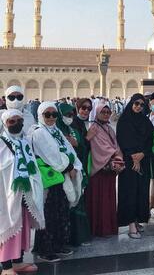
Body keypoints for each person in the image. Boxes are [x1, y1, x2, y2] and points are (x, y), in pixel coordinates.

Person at [31, 102, 83, 262]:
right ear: (40, 115)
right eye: (48, 114)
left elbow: (68, 149)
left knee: (61, 212)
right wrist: (69, 167)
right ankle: (45, 249)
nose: (52, 118)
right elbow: (50, 155)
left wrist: (75, 165)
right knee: (49, 214)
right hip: (51, 178)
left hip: (62, 176)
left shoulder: (56, 131)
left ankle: (58, 244)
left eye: (54, 114)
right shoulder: (39, 133)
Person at [0, 109, 45, 275]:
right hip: (7, 193)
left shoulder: (24, 141)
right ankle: (6, 266)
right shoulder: (1, 142)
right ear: (5, 123)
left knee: (22, 226)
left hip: (25, 192)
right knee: (8, 225)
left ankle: (18, 261)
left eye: (19, 121)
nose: (17, 124)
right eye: (12, 121)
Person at [117, 94, 153, 239]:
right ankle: (130, 223)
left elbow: (150, 141)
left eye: (141, 104)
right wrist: (134, 158)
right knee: (130, 192)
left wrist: (142, 154)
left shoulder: (145, 121)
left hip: (143, 160)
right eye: (136, 103)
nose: (138, 106)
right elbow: (123, 140)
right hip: (129, 162)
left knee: (141, 191)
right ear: (131, 103)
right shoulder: (124, 120)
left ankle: (137, 220)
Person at [85, 102, 124, 237]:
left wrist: (118, 156)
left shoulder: (109, 128)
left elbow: (115, 144)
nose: (106, 115)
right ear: (97, 113)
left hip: (109, 170)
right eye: (103, 112)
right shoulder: (94, 127)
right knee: (98, 200)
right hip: (99, 170)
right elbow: (100, 147)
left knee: (108, 199)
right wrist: (115, 155)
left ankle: (108, 227)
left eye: (108, 112)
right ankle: (98, 229)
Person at [56, 103, 91, 246]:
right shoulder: (55, 132)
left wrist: (77, 144)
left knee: (77, 202)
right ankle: (63, 240)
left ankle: (78, 237)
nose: (69, 118)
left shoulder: (73, 130)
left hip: (76, 172)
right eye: (66, 115)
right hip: (61, 175)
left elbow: (83, 148)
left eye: (71, 115)